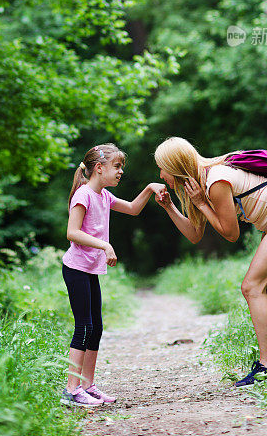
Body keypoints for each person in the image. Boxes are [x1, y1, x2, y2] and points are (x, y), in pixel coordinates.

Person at [153, 136, 267, 387]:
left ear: (175, 166)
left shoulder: (215, 181)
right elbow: (195, 235)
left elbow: (230, 234)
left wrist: (202, 204)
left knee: (252, 287)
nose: (161, 175)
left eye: (162, 168)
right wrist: (170, 207)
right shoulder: (199, 185)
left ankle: (266, 366)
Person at [61, 142, 166, 408]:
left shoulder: (104, 196)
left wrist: (150, 188)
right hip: (75, 269)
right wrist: (105, 245)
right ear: (99, 168)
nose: (120, 172)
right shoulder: (83, 195)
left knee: (96, 327)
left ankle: (88, 386)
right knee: (84, 326)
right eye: (117, 167)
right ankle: (71, 390)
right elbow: (72, 232)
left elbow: (132, 208)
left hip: (89, 270)